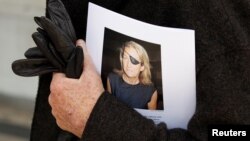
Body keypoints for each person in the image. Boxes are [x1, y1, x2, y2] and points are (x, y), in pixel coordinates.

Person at [31, 0, 250, 141]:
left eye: (134, 60)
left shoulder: (220, 15)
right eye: (124, 58)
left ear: (143, 64)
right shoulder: (115, 79)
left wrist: (94, 118)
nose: (127, 64)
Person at [107, 41, 158, 110]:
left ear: (142, 66)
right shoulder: (112, 80)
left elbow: (151, 118)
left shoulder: (150, 92)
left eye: (134, 60)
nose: (128, 65)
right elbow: (108, 107)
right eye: (125, 58)